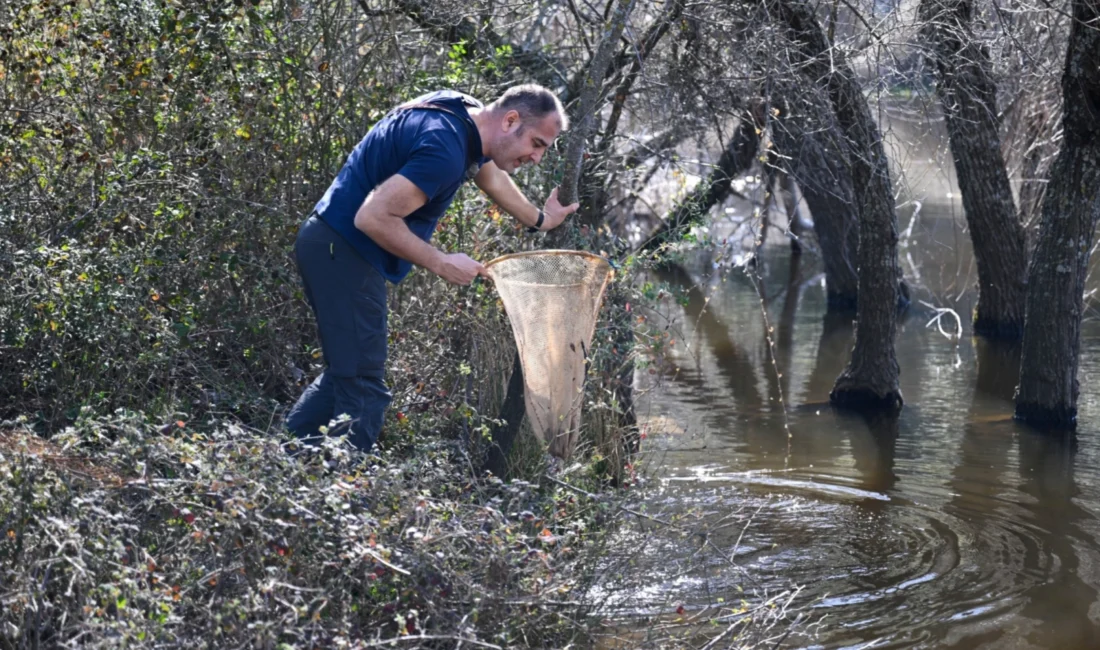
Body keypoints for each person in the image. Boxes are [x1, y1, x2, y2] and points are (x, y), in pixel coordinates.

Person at [286, 85, 578, 452]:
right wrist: (441, 262)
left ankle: (282, 465)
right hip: (342, 250)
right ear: (510, 120)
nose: (536, 157)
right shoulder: (444, 148)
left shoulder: (463, 113)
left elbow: (489, 174)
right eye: (536, 143)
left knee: (346, 375)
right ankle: (339, 491)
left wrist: (540, 219)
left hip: (328, 244)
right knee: (363, 385)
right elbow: (373, 217)